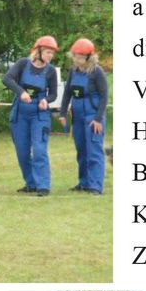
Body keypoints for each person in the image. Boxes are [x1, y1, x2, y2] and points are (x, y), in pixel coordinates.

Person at [6, 34, 58, 196]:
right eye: (48, 52)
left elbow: (53, 94)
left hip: (39, 115)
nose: (50, 56)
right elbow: (7, 79)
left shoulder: (50, 72)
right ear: (38, 51)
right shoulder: (22, 64)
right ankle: (31, 183)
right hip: (20, 113)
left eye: (52, 53)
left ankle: (43, 185)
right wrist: (20, 92)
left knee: (39, 149)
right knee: (22, 151)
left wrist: (46, 100)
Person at [58, 37, 107, 194]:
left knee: (94, 152)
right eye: (75, 56)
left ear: (89, 57)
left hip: (93, 117)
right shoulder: (73, 71)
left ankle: (95, 186)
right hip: (78, 117)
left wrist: (98, 119)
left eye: (80, 57)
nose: (77, 60)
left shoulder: (97, 72)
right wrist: (63, 112)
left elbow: (104, 96)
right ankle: (83, 182)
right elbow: (67, 93)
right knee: (82, 151)